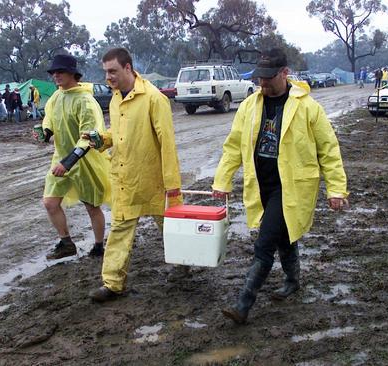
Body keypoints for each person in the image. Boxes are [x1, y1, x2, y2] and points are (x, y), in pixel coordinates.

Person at [212, 48, 349, 324]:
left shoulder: (308, 107)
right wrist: (222, 180)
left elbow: (329, 150)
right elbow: (233, 146)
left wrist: (335, 189)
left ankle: (243, 304)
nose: (262, 83)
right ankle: (293, 280)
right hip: (261, 184)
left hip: (291, 186)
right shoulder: (250, 105)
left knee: (264, 243)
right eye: (259, 77)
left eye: (268, 78)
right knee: (283, 234)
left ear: (285, 73)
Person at [88, 47, 183, 302]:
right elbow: (119, 134)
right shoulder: (116, 97)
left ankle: (184, 261)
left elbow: (167, 143)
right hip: (126, 180)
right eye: (105, 72)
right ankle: (112, 283)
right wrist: (102, 140)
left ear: (128, 68)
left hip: (154, 181)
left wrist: (172, 185)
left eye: (113, 71)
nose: (108, 77)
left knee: (172, 227)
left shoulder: (154, 99)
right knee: (119, 229)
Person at [38, 54, 111, 260]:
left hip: (84, 162)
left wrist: (68, 163)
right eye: (53, 72)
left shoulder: (85, 100)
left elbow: (88, 136)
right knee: (50, 202)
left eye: (60, 71)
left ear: (72, 73)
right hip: (60, 159)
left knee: (91, 205)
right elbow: (49, 119)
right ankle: (66, 242)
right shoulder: (56, 97)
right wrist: (45, 132)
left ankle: (98, 246)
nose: (56, 75)